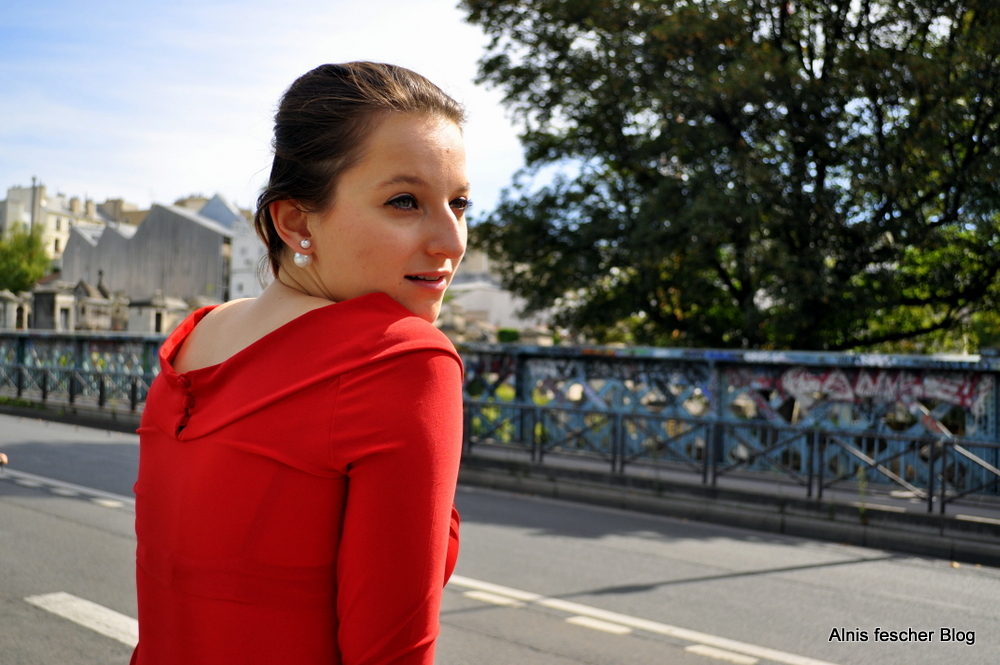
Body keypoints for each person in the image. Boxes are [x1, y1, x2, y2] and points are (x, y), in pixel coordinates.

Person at [131, 62, 470, 665]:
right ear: (296, 222)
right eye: (404, 201)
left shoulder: (192, 342)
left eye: (459, 203)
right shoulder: (401, 359)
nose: (450, 241)